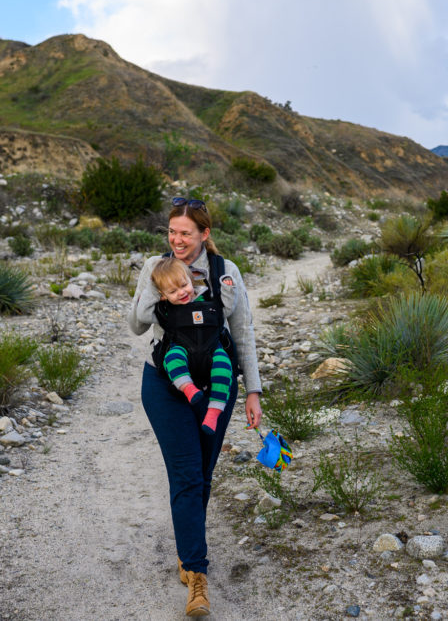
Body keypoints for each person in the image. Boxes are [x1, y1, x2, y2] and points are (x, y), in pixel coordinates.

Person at [128, 196, 263, 617]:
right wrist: (152, 289)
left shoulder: (227, 273)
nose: (177, 239)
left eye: (185, 233)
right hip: (166, 385)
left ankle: (189, 550)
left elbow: (243, 334)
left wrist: (254, 391)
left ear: (204, 234)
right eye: (172, 231)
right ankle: (197, 575)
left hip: (216, 388)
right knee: (186, 475)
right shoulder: (158, 266)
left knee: (202, 477)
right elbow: (135, 325)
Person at [149, 256, 234, 434]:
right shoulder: (166, 307)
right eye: (173, 292)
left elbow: (227, 310)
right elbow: (142, 317)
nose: (181, 293)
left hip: (212, 348)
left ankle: (214, 412)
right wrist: (150, 293)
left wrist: (227, 289)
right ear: (163, 296)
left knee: (224, 367)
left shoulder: (207, 296)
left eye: (183, 285)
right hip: (182, 347)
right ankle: (188, 388)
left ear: (191, 278)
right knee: (172, 358)